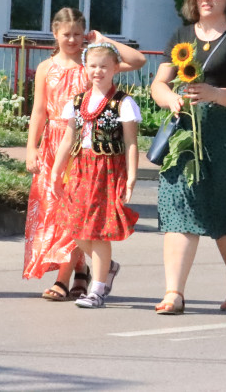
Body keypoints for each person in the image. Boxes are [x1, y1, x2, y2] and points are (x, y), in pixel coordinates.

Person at [150, 0, 226, 315]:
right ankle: (174, 293)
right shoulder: (181, 36)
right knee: (178, 206)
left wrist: (213, 93)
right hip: (184, 135)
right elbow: (159, 84)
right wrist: (169, 98)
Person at [23, 7, 145, 302]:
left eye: (79, 34)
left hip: (82, 150)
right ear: (54, 33)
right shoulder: (46, 67)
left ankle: (64, 278)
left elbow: (137, 61)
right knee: (58, 214)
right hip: (56, 143)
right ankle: (81, 272)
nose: (73, 39)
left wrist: (104, 40)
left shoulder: (93, 64)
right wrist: (32, 147)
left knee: (77, 213)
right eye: (67, 34)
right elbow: (38, 111)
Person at [50, 43, 140, 309]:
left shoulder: (123, 102)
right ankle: (107, 267)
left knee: (100, 232)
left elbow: (131, 143)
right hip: (80, 168)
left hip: (108, 171)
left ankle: (97, 289)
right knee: (74, 226)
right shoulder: (77, 101)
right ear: (85, 68)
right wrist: (57, 170)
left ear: (115, 68)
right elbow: (69, 138)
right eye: (92, 66)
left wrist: (132, 176)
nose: (97, 71)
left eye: (104, 66)